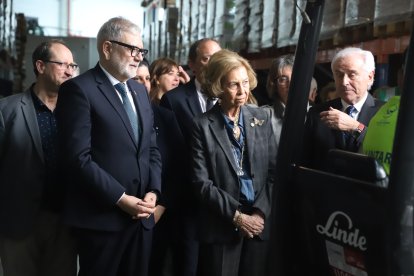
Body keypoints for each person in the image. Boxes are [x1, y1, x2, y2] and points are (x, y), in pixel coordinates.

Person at [55, 17, 162, 276]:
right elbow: (77, 158)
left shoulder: (138, 92)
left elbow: (152, 149)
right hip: (101, 220)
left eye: (141, 51)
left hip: (141, 219)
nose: (138, 57)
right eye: (132, 49)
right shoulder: (79, 90)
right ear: (107, 48)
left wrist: (153, 192)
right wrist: (121, 199)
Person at [191, 49, 277, 276]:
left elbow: (273, 172)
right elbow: (201, 183)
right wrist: (238, 217)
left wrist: (259, 214)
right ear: (218, 86)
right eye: (233, 85)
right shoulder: (201, 125)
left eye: (245, 82)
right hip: (222, 225)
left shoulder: (261, 117)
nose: (242, 91)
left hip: (259, 225)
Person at [0, 39, 77, 276]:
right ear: (40, 66)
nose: (69, 70)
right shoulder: (7, 111)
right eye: (62, 64)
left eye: (72, 65)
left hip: (65, 222)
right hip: (19, 224)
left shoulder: (78, 112)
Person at [159, 37, 222, 276]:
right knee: (187, 265)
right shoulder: (174, 100)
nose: (213, 64)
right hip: (187, 203)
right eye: (206, 59)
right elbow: (168, 154)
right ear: (192, 65)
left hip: (222, 206)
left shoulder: (229, 98)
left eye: (217, 58)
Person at [132, 59, 186, 276]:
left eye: (146, 79)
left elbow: (178, 166)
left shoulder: (165, 117)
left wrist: (161, 205)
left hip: (158, 212)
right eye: (138, 78)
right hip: (123, 207)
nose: (144, 84)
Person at [301, 47, 384, 170]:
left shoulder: (385, 112)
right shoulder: (316, 113)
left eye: (352, 74)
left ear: (370, 76)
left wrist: (356, 128)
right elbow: (305, 162)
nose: (344, 82)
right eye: (339, 75)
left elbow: (385, 149)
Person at [262, 54, 295, 145]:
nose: (290, 84)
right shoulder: (264, 116)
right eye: (283, 79)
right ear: (274, 84)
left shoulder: (314, 114)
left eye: (295, 77)